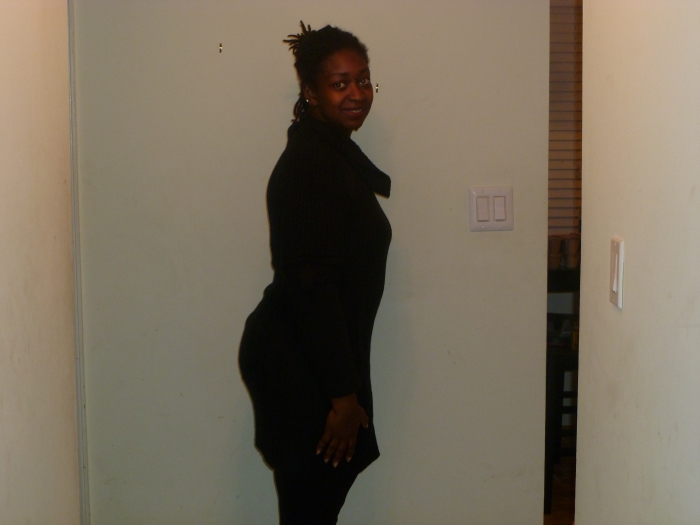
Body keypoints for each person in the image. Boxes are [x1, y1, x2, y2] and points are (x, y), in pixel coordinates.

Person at [238, 21, 392, 525]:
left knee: (315, 506)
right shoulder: (311, 166)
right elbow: (312, 290)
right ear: (311, 92)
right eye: (340, 83)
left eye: (363, 79)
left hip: (317, 358)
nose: (357, 93)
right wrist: (343, 399)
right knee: (311, 507)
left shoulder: (331, 155)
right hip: (299, 363)